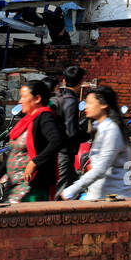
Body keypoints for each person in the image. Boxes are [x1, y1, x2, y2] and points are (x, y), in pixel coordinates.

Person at [0, 80, 66, 202]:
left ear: (37, 98)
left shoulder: (45, 117)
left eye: (23, 97)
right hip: (15, 185)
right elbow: (14, 152)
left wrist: (34, 162)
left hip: (32, 185)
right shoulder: (27, 121)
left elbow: (57, 140)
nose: (20, 101)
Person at [60, 86, 131, 201]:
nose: (85, 107)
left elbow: (100, 169)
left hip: (114, 197)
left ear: (103, 105)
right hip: (100, 195)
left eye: (90, 102)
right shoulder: (100, 128)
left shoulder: (111, 130)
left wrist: (71, 190)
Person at [51, 65, 87, 194]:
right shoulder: (71, 101)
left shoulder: (58, 98)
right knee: (62, 192)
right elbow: (71, 131)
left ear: (64, 81)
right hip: (65, 152)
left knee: (71, 188)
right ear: (81, 82)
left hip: (57, 150)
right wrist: (87, 135)